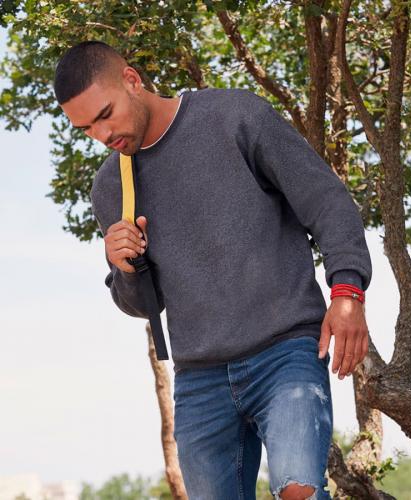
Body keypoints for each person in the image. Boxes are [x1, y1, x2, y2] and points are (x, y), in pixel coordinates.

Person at [54, 40, 372, 500]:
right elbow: (141, 304)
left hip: (285, 351)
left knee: (298, 490)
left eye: (105, 115)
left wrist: (347, 292)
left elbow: (326, 201)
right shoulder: (111, 188)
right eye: (86, 128)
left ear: (131, 80)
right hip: (199, 379)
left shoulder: (235, 116)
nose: (102, 134)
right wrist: (125, 269)